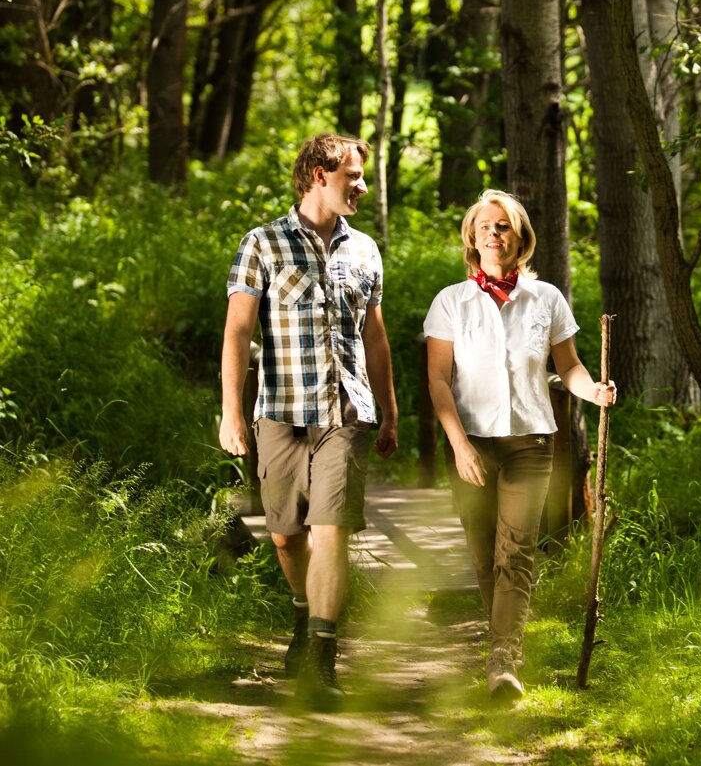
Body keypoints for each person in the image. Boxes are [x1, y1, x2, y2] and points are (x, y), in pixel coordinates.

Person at [219, 132, 398, 709]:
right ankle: (305, 613)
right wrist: (231, 412)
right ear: (319, 174)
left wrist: (389, 409)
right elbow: (238, 334)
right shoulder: (263, 244)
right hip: (280, 411)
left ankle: (322, 656)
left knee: (330, 531)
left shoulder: (365, 250)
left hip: (346, 410)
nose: (363, 188)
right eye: (354, 176)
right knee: (286, 538)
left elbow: (375, 334)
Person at [423, 189, 616, 701]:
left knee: (517, 552)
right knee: (484, 555)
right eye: (485, 226)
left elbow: (568, 367)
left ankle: (504, 659)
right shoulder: (451, 302)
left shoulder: (546, 299)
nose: (494, 234)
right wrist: (460, 445)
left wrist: (592, 390)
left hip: (531, 443)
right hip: (471, 446)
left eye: (504, 226)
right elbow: (439, 381)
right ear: (472, 237)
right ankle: (500, 645)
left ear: (520, 237)